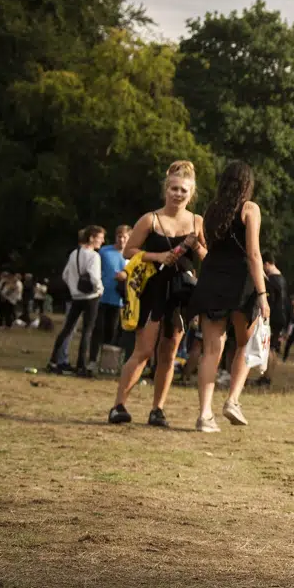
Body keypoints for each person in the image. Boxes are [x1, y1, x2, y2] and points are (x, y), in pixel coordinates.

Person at [109, 161, 206, 428]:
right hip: (152, 290)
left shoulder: (197, 221)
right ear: (166, 189)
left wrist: (197, 246)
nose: (178, 194)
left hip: (181, 292)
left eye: (183, 190)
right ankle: (119, 406)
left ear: (191, 192)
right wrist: (157, 256)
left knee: (170, 351)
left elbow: (207, 257)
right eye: (174, 189)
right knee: (143, 350)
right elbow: (129, 251)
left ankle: (157, 409)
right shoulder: (151, 219)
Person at [188, 161, 270, 433]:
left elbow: (208, 247)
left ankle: (204, 415)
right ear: (248, 184)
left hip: (212, 278)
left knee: (212, 349)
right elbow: (254, 254)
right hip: (241, 282)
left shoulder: (211, 211)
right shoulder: (250, 209)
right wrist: (262, 294)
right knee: (246, 345)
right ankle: (233, 400)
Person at [49, 226, 105, 375]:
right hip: (90, 297)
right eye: (100, 237)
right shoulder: (94, 256)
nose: (102, 241)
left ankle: (53, 360)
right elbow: (94, 277)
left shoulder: (75, 253)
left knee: (67, 328)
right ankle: (81, 365)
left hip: (76, 297)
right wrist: (100, 289)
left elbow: (65, 275)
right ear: (92, 238)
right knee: (87, 331)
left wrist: (74, 288)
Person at [94, 224, 131, 364]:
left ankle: (109, 362)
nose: (121, 240)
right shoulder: (104, 251)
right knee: (98, 330)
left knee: (114, 332)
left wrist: (126, 276)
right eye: (119, 236)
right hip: (102, 297)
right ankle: (94, 358)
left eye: (125, 237)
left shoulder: (134, 255)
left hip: (121, 301)